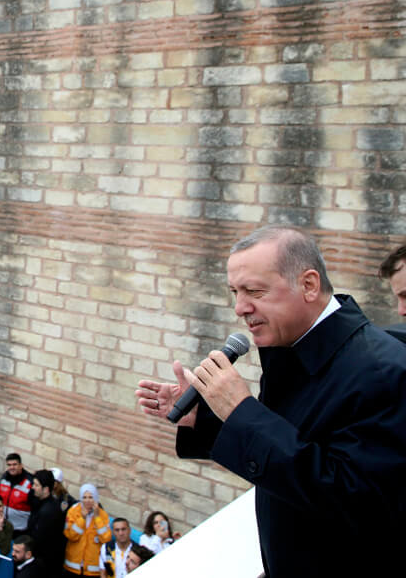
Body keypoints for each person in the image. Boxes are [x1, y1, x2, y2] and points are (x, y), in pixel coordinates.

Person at [136, 226, 406, 575]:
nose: (239, 308)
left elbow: (354, 498)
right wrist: (207, 417)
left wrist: (241, 411)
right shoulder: (294, 348)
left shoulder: (384, 369)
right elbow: (297, 447)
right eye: (234, 291)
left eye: (254, 291)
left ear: (308, 285)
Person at [62, 484, 109, 576]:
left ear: (95, 498)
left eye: (91, 497)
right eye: (84, 497)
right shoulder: (73, 511)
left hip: (92, 569)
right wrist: (82, 519)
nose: (87, 500)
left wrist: (97, 518)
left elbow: (106, 539)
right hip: (73, 566)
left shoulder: (102, 515)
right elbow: (71, 536)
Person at [0, 453, 33, 536]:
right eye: (9, 465)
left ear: (21, 465)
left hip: (21, 530)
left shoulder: (30, 482)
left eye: (14, 464)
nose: (11, 467)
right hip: (4, 526)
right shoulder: (4, 479)